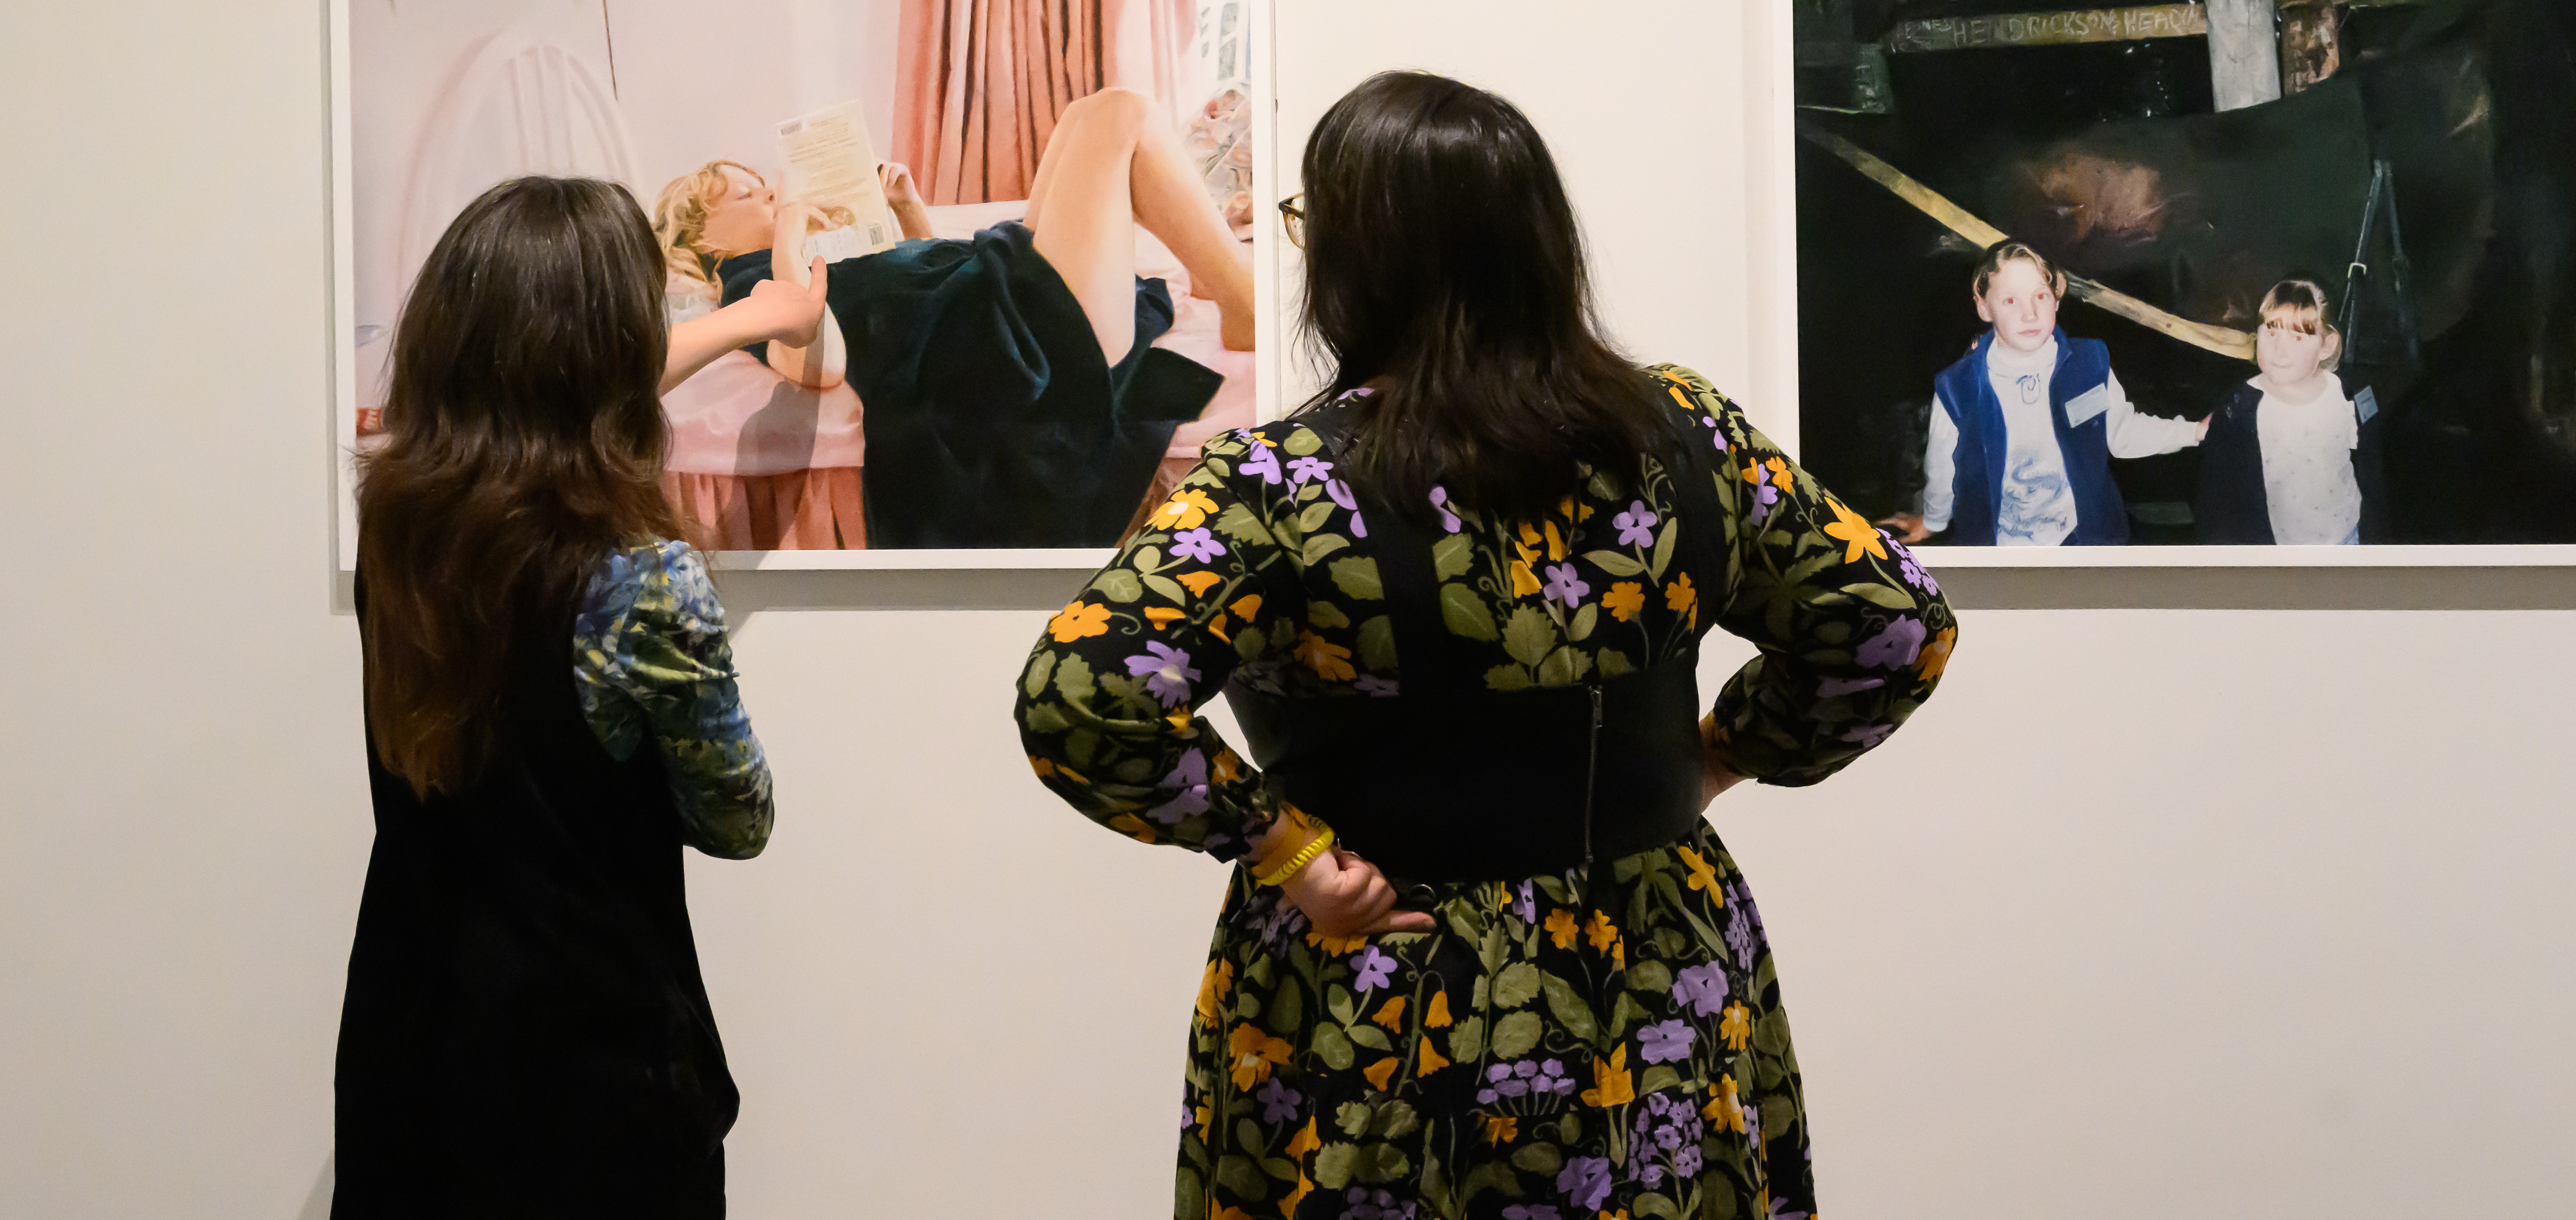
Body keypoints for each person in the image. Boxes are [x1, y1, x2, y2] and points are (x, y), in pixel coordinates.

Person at [1014, 71, 1955, 1220]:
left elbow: (1079, 693)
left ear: (1360, 258)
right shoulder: (1683, 432)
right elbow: (1892, 625)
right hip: (1650, 965)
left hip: (1382, 986)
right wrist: (1717, 754)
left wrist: (1282, 851)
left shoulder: (1281, 487)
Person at [334, 176, 805, 1219]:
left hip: (411, 1060)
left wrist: (760, 318)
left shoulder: (398, 540)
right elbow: (739, 818)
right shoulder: (642, 581)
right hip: (595, 1086)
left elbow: (529, 415)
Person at [655, 85, 1258, 549]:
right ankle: (1243, 304)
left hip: (1007, 299)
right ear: (702, 241)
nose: (768, 193)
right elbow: (824, 366)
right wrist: (788, 225)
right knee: (1120, 116)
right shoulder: (749, 286)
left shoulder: (815, 255)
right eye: (747, 195)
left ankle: (1213, 273)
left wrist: (910, 215)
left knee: (1086, 113)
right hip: (1032, 344)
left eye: (764, 186)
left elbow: (919, 298)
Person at [1884, 238, 2207, 547]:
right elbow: (1943, 470)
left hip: (2086, 542)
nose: (2030, 314)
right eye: (2011, 301)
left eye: (2040, 296)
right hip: (1998, 553)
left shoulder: (2088, 364)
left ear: (2057, 297)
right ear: (1984, 308)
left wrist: (2193, 431)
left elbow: (2122, 433)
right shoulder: (1958, 388)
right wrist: (1933, 522)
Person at [2193, 278, 2384, 543]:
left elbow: (2370, 466)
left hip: (2347, 537)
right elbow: (2218, 495)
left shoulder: (2346, 395)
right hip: (2283, 550)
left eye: (2297, 337)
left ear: (2326, 346)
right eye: (2271, 333)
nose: (2280, 352)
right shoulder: (2240, 407)